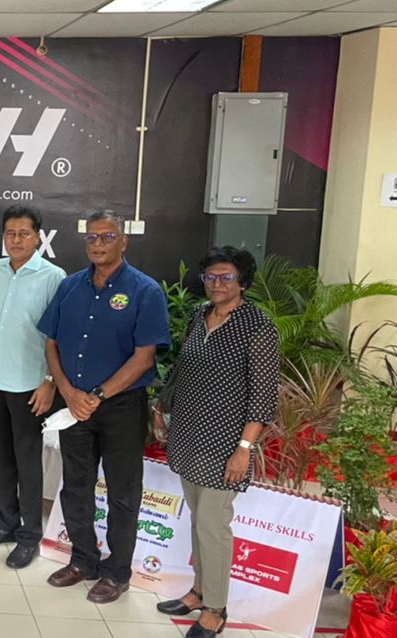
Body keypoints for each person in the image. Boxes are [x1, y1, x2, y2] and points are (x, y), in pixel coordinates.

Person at [38, 209, 170, 604]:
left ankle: (117, 572)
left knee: (122, 493)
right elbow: (51, 344)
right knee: (75, 485)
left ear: (123, 241)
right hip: (73, 404)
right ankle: (83, 560)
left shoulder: (145, 291)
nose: (98, 244)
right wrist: (67, 392)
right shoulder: (70, 287)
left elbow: (144, 358)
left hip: (120, 408)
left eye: (107, 237)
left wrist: (96, 395)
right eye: (92, 237)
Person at [154, 247, 279, 638]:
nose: (217, 283)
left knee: (213, 525)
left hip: (226, 443)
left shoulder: (257, 326)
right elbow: (182, 367)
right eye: (210, 276)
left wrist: (244, 449)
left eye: (226, 277)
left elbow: (263, 396)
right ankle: (198, 591)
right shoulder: (199, 314)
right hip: (189, 434)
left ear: (242, 281)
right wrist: (161, 406)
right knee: (198, 519)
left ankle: (216, 609)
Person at [0, 206, 66, 569]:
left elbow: (59, 336)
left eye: (24, 233)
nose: (16, 240)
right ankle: (6, 523)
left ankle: (29, 535)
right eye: (10, 233)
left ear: (38, 237)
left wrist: (50, 381)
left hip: (30, 385)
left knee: (27, 463)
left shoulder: (53, 277)